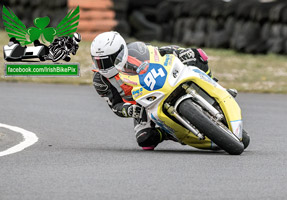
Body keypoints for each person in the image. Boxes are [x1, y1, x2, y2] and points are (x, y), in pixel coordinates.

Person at [91, 31, 236, 150]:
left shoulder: (136, 50)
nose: (102, 66)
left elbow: (161, 51)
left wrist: (181, 52)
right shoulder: (100, 80)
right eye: (98, 61)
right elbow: (115, 106)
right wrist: (130, 110)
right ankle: (168, 132)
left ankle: (216, 88)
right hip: (142, 104)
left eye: (106, 61)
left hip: (163, 80)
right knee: (145, 140)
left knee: (197, 54)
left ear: (120, 52)